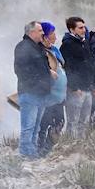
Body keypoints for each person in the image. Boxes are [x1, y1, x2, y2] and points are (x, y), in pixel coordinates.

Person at [61, 16, 95, 137]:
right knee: (73, 122)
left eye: (84, 27)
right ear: (72, 30)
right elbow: (68, 68)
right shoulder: (67, 45)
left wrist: (94, 86)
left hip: (87, 89)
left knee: (84, 122)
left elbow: (90, 67)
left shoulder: (84, 43)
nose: (84, 30)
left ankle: (80, 145)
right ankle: (70, 146)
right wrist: (74, 87)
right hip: (76, 91)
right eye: (80, 28)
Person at [13, 20, 53, 157]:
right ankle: (25, 154)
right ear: (31, 32)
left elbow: (44, 66)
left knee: (36, 127)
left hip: (41, 93)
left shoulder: (39, 47)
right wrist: (38, 84)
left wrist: (48, 74)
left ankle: (33, 153)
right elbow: (20, 70)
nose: (43, 33)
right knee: (28, 127)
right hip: (30, 93)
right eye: (40, 30)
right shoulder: (22, 47)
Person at [38, 22, 68, 154]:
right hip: (47, 95)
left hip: (59, 95)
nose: (55, 36)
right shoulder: (39, 51)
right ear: (44, 36)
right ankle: (40, 148)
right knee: (44, 123)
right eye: (52, 34)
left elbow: (62, 66)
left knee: (60, 122)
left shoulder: (55, 49)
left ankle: (49, 146)